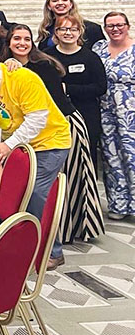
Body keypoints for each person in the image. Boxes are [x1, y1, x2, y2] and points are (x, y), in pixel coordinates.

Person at [0, 44, 71, 269]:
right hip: (17, 146)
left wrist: (7, 145)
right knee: (13, 194)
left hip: (49, 142)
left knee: (36, 194)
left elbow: (37, 119)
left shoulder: (23, 77)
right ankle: (17, 245)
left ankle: (51, 251)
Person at [7, 24, 104, 244]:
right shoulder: (6, 67)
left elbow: (53, 104)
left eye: (26, 39)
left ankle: (69, 232)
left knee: (70, 180)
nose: (22, 43)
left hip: (63, 125)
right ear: (9, 43)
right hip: (35, 132)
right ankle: (52, 235)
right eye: (16, 39)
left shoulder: (44, 65)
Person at [47, 14, 108, 174]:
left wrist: (68, 88)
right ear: (56, 32)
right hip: (57, 115)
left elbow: (100, 87)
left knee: (87, 157)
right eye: (63, 29)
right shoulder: (47, 57)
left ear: (80, 32)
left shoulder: (90, 57)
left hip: (86, 114)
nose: (68, 33)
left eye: (73, 29)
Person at [93, 12, 135, 220]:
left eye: (119, 25)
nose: (115, 29)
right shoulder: (99, 48)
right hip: (105, 110)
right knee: (111, 156)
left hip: (130, 110)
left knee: (132, 155)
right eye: (110, 26)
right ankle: (119, 204)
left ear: (127, 26)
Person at [38, 0, 104, 49]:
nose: (60, 3)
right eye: (55, 0)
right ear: (49, 6)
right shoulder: (46, 30)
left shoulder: (92, 28)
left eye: (64, 0)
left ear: (71, 4)